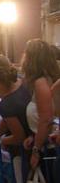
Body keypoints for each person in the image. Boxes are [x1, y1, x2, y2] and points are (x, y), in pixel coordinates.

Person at [0, 55, 31, 183]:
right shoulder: (24, 83)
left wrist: (4, 141)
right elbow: (7, 120)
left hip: (26, 153)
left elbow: (19, 136)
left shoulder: (7, 104)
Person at [21, 39, 60, 180]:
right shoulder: (46, 80)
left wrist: (36, 150)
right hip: (47, 143)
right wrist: (34, 137)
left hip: (48, 149)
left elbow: (46, 119)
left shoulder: (41, 83)